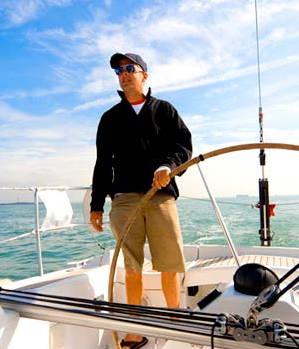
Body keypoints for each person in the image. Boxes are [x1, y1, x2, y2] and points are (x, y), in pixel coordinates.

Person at [90, 52, 192, 349]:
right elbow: (102, 163)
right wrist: (97, 204)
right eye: (119, 70)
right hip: (124, 200)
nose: (123, 73)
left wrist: (167, 166)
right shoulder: (109, 118)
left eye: (129, 68)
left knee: (170, 264)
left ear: (144, 75)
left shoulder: (166, 110)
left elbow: (183, 147)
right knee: (132, 267)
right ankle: (134, 331)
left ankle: (177, 322)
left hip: (160, 196)